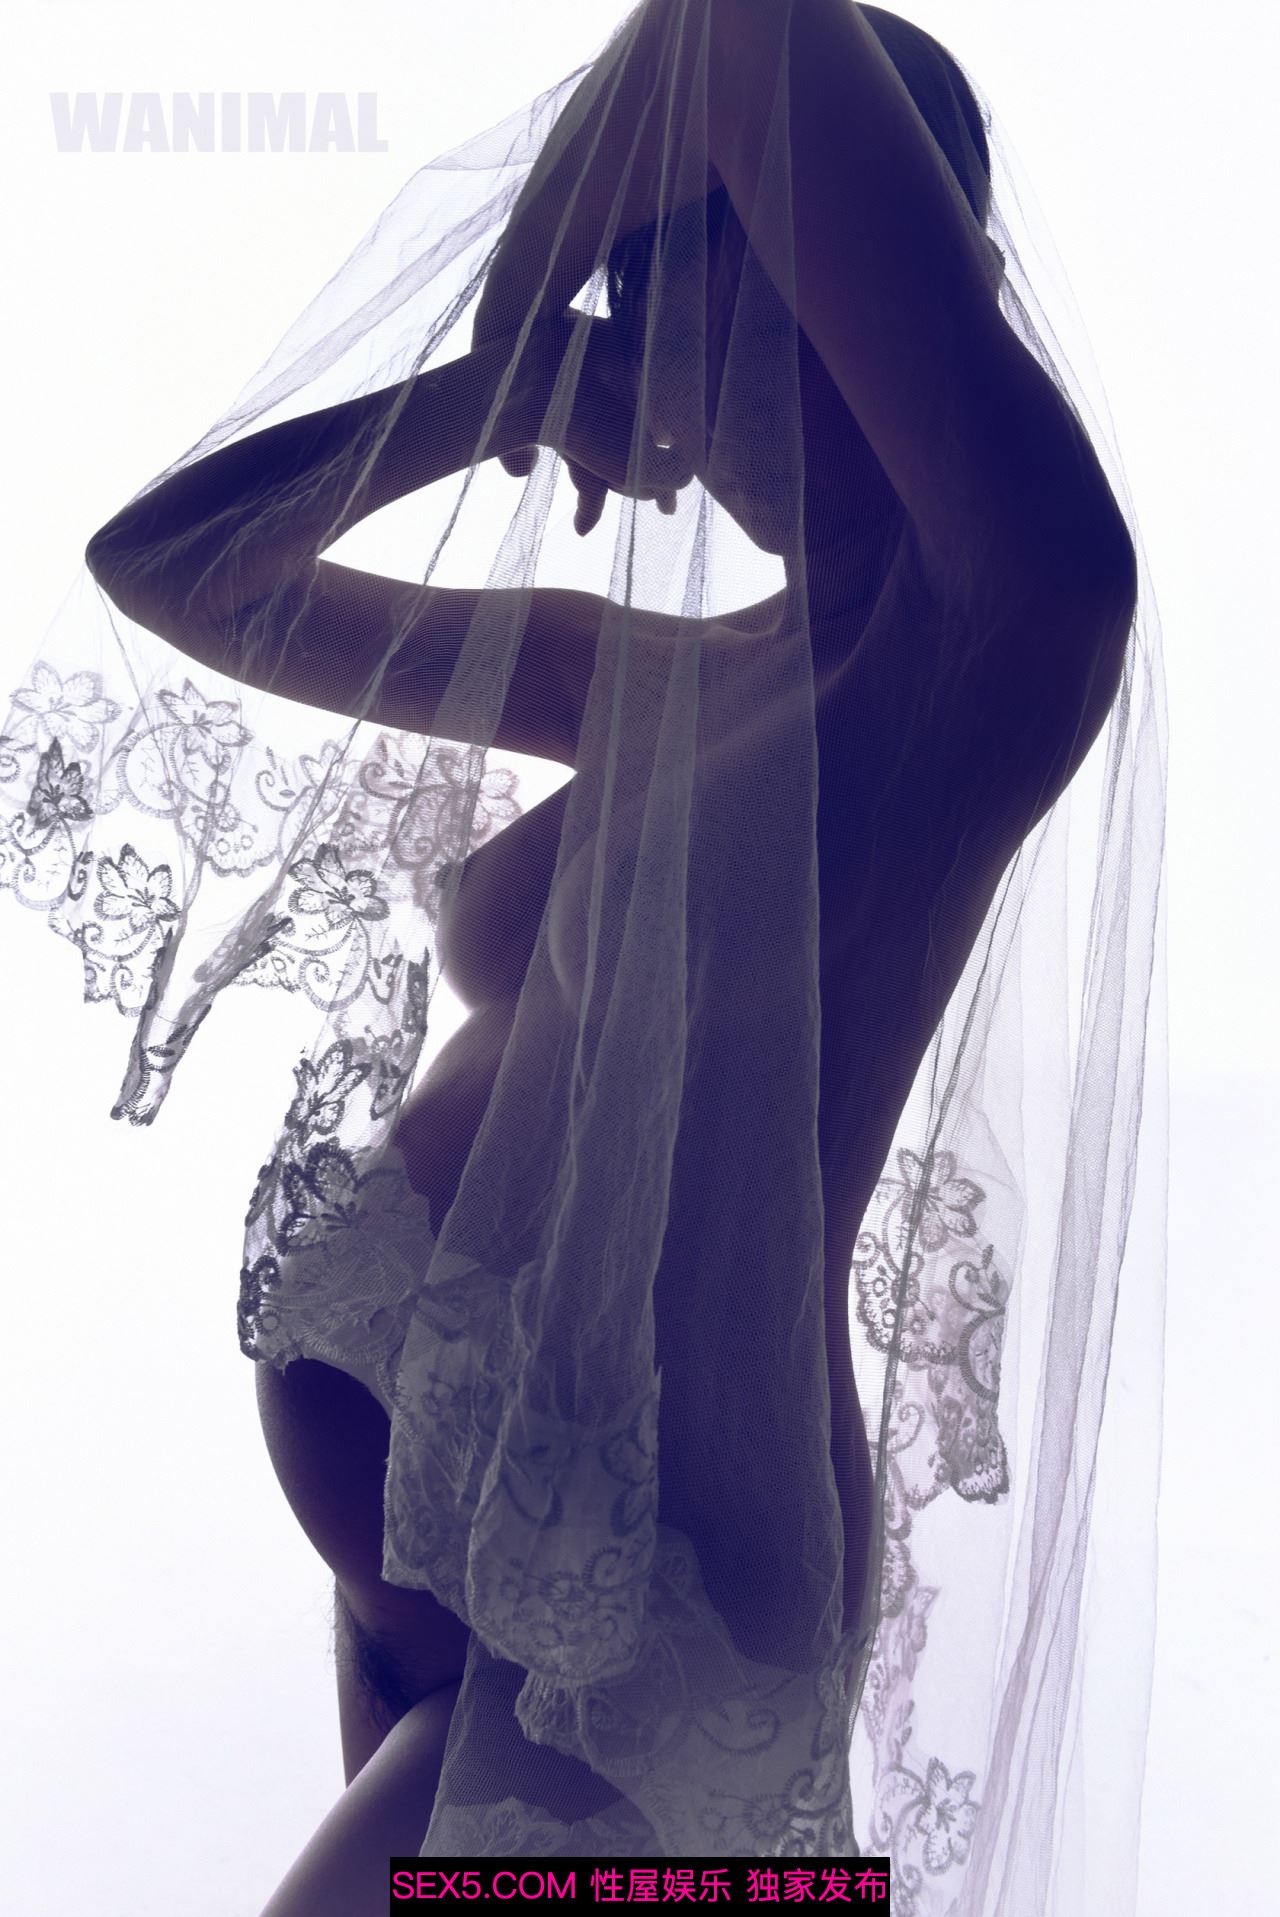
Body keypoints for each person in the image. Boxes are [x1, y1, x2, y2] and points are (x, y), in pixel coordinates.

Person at [2, 3, 1166, 1910]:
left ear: (855, 276)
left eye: (684, 302)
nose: (674, 397)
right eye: (640, 320)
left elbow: (742, 26)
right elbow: (173, 567)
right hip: (459, 1608)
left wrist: (530, 283)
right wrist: (511, 391)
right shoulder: (665, 678)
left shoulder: (1008, 626)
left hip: (654, 1628)